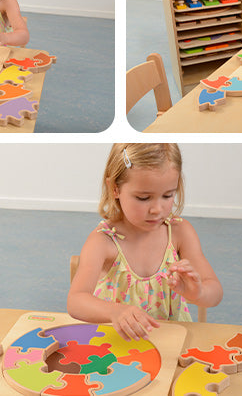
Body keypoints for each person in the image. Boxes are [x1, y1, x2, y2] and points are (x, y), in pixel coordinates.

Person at [67, 143, 222, 339]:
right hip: (118, 341)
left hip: (170, 340)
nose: (157, 209)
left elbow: (215, 292)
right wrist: (115, 311)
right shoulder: (104, 240)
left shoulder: (180, 232)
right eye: (143, 198)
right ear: (114, 188)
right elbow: (76, 301)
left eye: (168, 195)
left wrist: (198, 293)